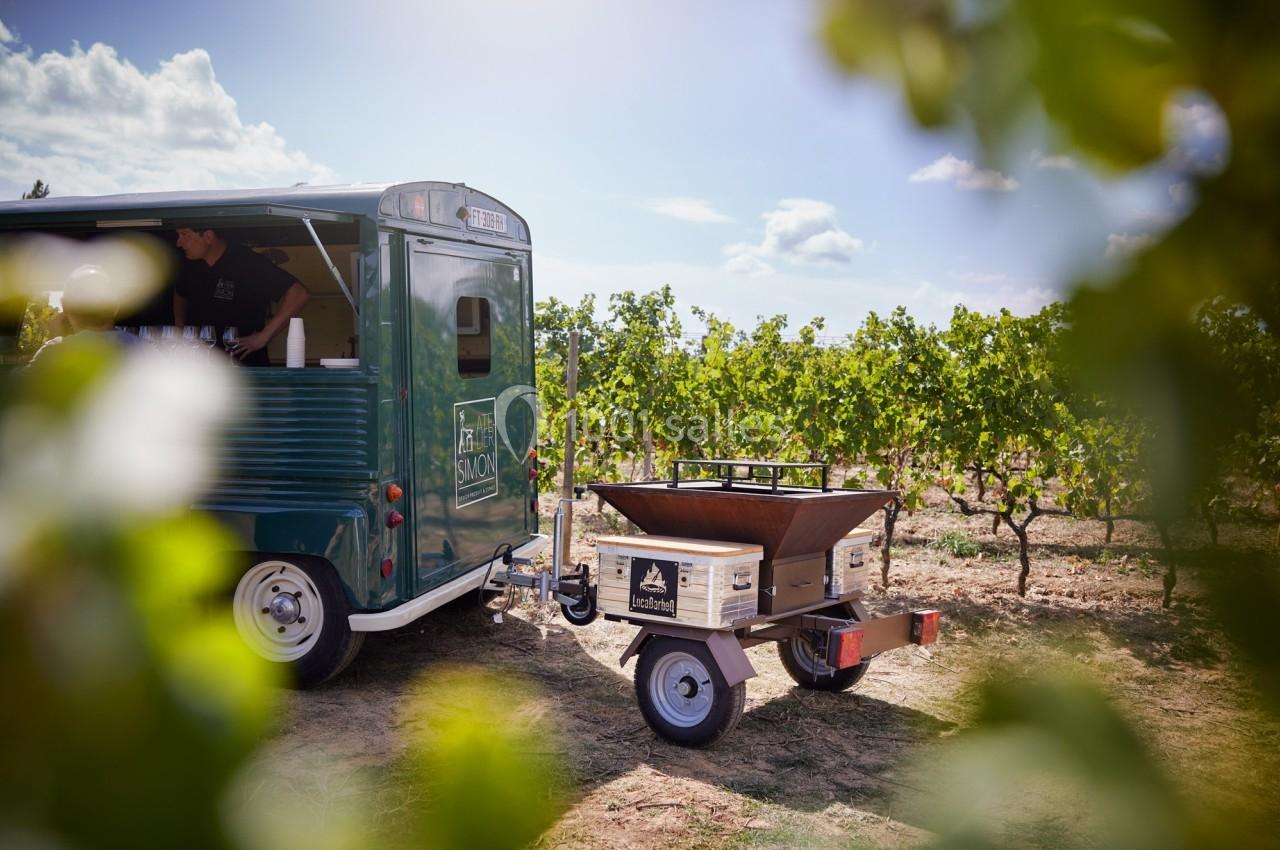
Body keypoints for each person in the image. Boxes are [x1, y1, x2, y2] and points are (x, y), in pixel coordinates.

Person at [173, 228, 310, 367]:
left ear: (208, 236)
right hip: (199, 365)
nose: (179, 243)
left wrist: (263, 337)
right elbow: (180, 292)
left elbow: (298, 293)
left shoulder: (248, 262)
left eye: (184, 235)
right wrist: (180, 328)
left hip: (243, 364)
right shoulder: (190, 265)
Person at [28, 264, 143, 364]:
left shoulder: (51, 353)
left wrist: (57, 339)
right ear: (115, 307)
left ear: (65, 306)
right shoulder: (145, 352)